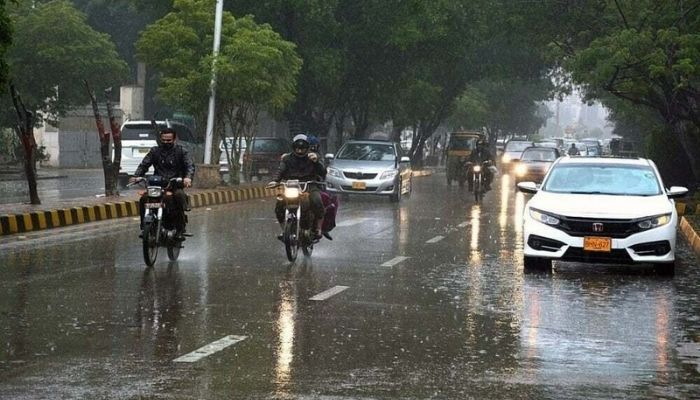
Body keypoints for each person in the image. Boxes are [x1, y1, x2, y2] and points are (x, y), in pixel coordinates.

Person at [130, 127, 194, 238]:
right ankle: (144, 227)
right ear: (160, 139)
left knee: (179, 196)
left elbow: (189, 166)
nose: (166, 142)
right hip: (157, 185)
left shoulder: (181, 151)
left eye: (168, 140)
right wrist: (137, 176)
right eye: (163, 140)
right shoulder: (155, 151)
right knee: (144, 199)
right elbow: (144, 164)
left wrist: (187, 178)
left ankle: (180, 229)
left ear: (174, 139)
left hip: (175, 184)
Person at [268, 134, 327, 240]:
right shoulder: (286, 159)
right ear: (293, 147)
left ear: (307, 148)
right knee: (279, 206)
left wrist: (317, 161)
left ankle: (318, 228)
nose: (299, 151)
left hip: (309, 185)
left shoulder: (313, 157)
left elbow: (323, 172)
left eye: (302, 148)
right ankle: (284, 230)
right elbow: (280, 171)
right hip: (291, 186)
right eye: (297, 148)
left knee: (317, 200)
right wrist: (274, 181)